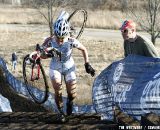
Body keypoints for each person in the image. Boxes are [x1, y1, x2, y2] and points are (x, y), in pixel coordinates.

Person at [42, 12, 95, 116]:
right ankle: (61, 112)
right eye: (58, 38)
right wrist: (48, 55)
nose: (60, 41)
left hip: (68, 66)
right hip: (55, 67)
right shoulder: (49, 41)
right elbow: (41, 55)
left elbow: (84, 49)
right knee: (58, 89)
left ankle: (70, 101)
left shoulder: (71, 41)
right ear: (55, 34)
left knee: (72, 93)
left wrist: (87, 64)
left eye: (63, 38)